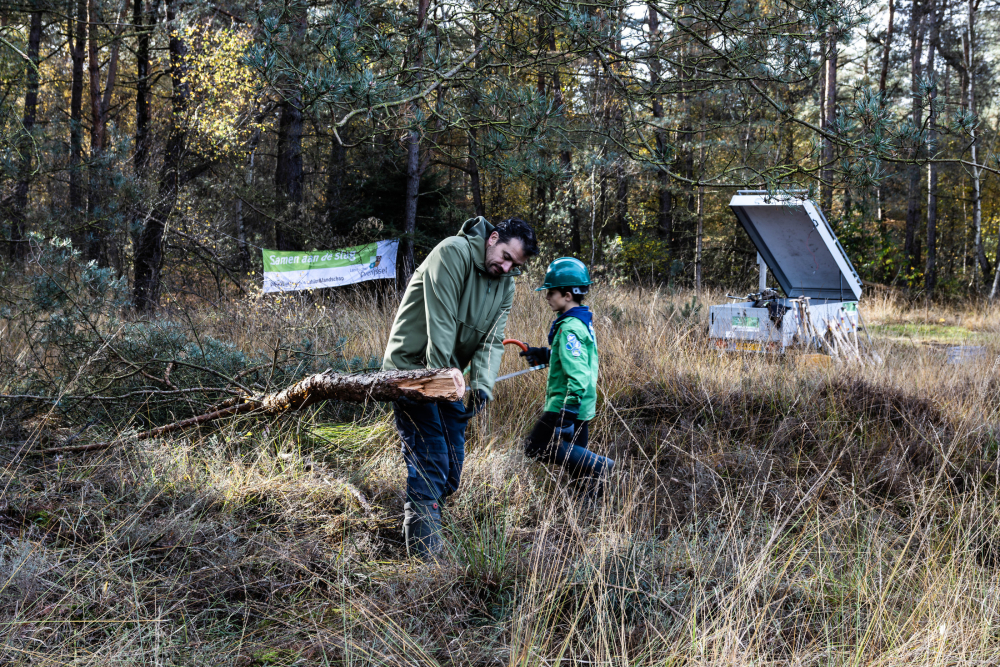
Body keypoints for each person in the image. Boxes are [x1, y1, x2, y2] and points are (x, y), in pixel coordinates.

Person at [383, 216, 539, 559]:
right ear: (492, 238)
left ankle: (425, 519)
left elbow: (492, 340)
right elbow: (440, 322)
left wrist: (482, 385)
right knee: (432, 460)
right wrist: (442, 379)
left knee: (451, 471)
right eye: (506, 256)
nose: (507, 267)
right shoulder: (451, 253)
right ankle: (425, 560)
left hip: (451, 379)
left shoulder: (505, 284)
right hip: (412, 373)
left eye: (516, 264)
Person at [520, 257, 613, 497]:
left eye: (551, 292)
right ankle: (589, 511)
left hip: (565, 405)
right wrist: (544, 354)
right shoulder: (579, 321)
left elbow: (579, 375)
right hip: (578, 404)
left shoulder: (570, 327)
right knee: (577, 467)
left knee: (534, 447)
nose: (547, 296)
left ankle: (601, 464)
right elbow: (576, 358)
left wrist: (568, 414)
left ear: (568, 295)